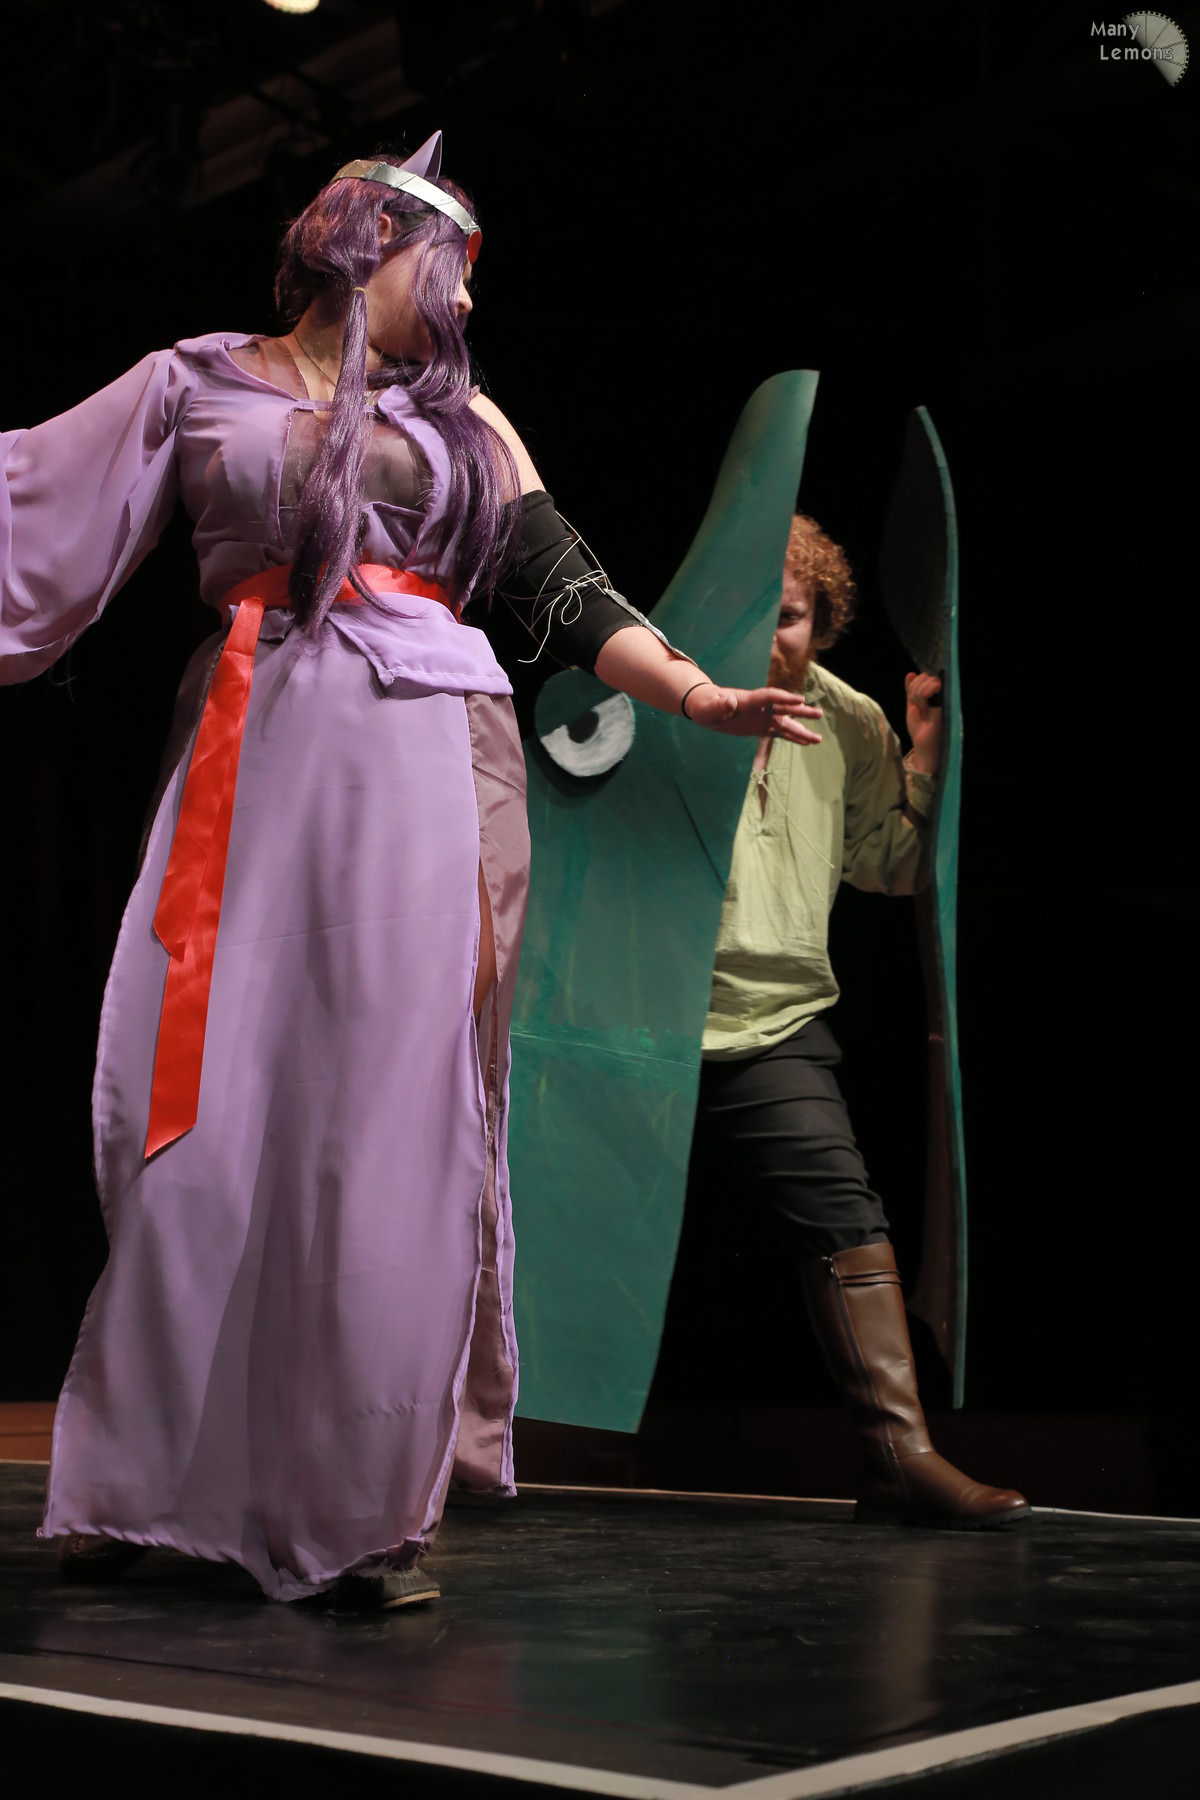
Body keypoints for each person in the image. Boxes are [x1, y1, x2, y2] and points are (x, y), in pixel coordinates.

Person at [0, 134, 822, 1609]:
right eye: (447, 263)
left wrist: (695, 694)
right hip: (257, 748)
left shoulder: (465, 424)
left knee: (380, 1120)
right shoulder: (197, 381)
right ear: (364, 244)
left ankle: (360, 1504)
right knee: (203, 1112)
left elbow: (563, 584)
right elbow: (28, 509)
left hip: (429, 759)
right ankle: (150, 1483)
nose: (462, 298)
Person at [689, 514, 1027, 1527]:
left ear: (824, 624)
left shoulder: (848, 719)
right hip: (639, 1010)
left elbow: (891, 862)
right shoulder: (667, 689)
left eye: (790, 616)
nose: (769, 635)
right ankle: (460, 1450)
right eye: (753, 609)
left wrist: (925, 757)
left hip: (773, 1018)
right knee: (533, 1216)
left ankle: (899, 1458)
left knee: (845, 1219)